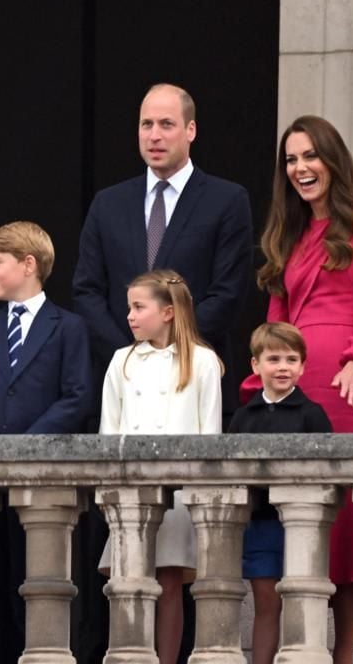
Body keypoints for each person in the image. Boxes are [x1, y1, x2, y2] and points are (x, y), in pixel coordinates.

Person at [250, 114, 353, 664]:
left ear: (333, 160)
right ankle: (303, 645)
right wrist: (259, 378)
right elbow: (277, 316)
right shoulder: (288, 232)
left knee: (348, 522)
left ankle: (344, 654)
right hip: (294, 380)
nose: (301, 168)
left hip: (347, 381)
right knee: (297, 513)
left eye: (310, 156)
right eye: (291, 159)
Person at [0, 220, 92, 662]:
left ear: (28, 265)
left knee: (43, 580)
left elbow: (77, 395)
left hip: (43, 480)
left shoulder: (68, 327)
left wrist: (27, 446)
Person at [73, 82, 253, 421]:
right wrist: (132, 353)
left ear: (191, 129)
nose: (154, 135)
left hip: (193, 382)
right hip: (124, 384)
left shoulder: (226, 201)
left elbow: (228, 293)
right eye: (146, 124)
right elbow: (86, 291)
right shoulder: (108, 204)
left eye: (166, 124)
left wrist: (170, 349)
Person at [98, 270, 222, 664]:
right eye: (129, 307)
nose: (130, 316)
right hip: (130, 488)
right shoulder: (122, 360)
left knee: (169, 581)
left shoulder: (202, 362)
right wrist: (108, 490)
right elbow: (109, 430)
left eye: (139, 307)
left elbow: (210, 433)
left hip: (181, 492)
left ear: (168, 312)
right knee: (129, 582)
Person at [227, 322, 332, 664]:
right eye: (274, 359)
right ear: (256, 365)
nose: (283, 367)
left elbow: (328, 472)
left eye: (291, 359)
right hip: (261, 524)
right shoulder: (244, 417)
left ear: (303, 366)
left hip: (305, 525)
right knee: (265, 603)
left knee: (304, 599)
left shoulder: (312, 415)